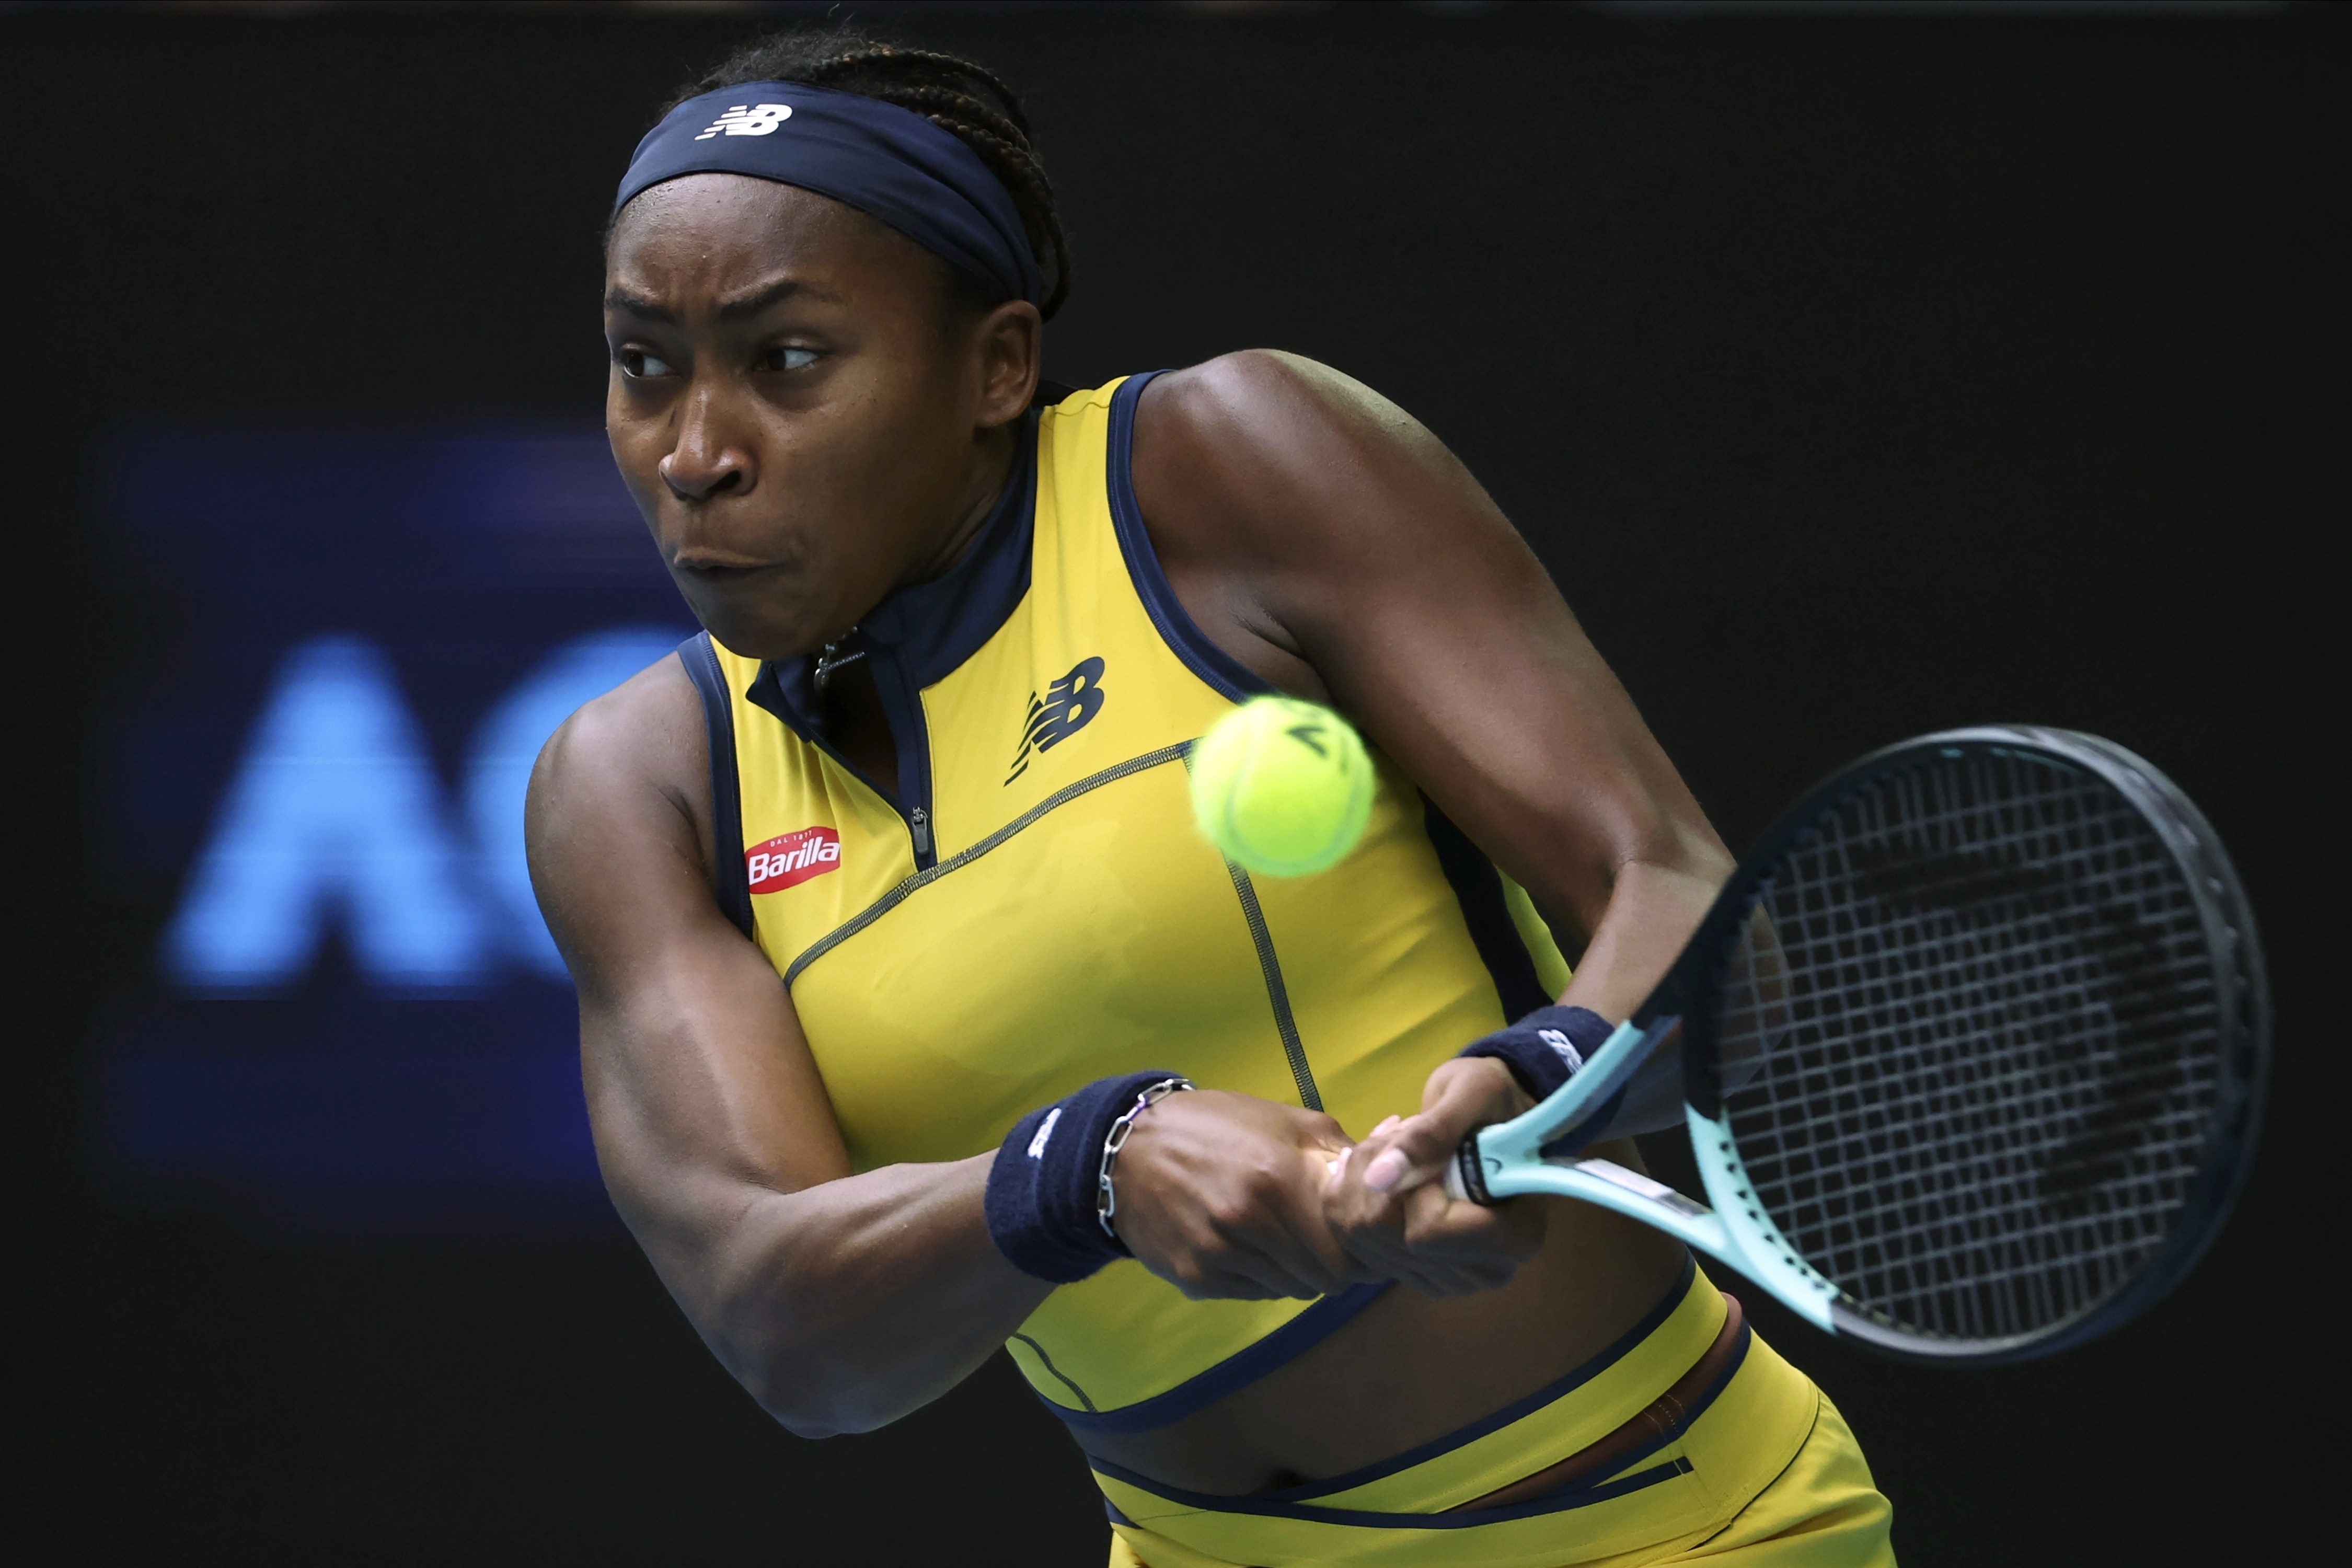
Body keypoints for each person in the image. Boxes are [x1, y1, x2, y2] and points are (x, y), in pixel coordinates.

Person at [528, 27, 1895, 1568]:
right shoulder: (637, 786)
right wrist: (1085, 1173)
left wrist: (1541, 1079)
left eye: (787, 360)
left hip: (1666, 1527)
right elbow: (784, 1331)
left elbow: (1696, 914)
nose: (696, 453)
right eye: (644, 364)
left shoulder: (1222, 470)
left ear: (995, 366)